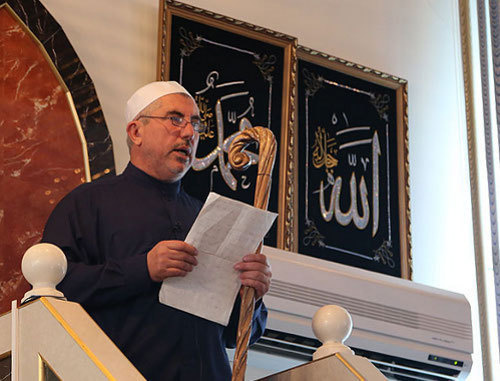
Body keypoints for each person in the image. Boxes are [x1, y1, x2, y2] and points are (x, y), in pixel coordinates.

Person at [42, 81, 272, 381]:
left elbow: (236, 336)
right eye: (175, 119)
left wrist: (250, 297)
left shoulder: (209, 217)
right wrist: (143, 268)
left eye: (196, 124)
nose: (189, 133)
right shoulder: (86, 204)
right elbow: (53, 295)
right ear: (136, 131)